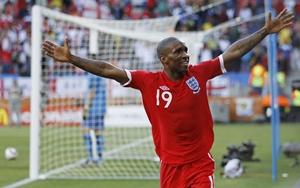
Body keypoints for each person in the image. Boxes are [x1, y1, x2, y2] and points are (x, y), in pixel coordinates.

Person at [42, 9, 293, 188]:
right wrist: (73, 59)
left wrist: (264, 31)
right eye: (178, 52)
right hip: (169, 168)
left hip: (199, 165)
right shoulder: (148, 82)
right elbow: (108, 70)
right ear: (164, 59)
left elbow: (232, 52)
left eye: (185, 50)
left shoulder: (199, 73)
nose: (185, 55)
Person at [82, 73, 106, 165]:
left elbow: (92, 91)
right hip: (101, 108)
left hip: (93, 109)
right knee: (98, 133)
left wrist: (86, 106)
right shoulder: (101, 74)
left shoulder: (92, 74)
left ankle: (90, 158)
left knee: (86, 132)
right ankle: (100, 159)